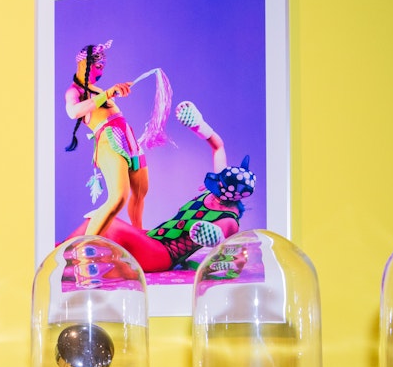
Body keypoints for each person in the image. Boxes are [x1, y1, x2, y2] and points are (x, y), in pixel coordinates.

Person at [68, 100, 256, 272]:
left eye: (218, 186)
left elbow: (229, 249)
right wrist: (198, 124)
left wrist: (215, 238)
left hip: (162, 255)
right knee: (94, 222)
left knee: (111, 226)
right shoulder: (220, 188)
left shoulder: (229, 220)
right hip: (154, 238)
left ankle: (67, 261)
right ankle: (62, 254)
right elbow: (218, 147)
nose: (213, 186)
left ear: (231, 195)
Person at [64, 40, 148, 234]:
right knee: (118, 197)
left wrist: (110, 93)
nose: (101, 68)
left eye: (103, 65)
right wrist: (108, 94)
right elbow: (73, 112)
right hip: (109, 140)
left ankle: (139, 234)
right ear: (84, 64)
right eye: (98, 64)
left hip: (128, 138)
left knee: (141, 191)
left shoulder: (98, 90)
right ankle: (86, 246)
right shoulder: (74, 91)